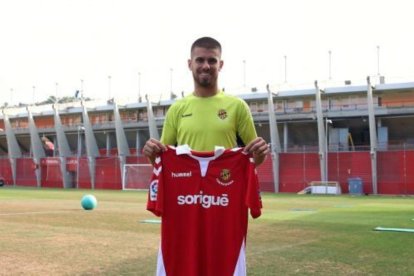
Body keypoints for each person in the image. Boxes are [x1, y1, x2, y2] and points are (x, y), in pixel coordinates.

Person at [143, 36, 269, 165]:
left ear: (220, 65)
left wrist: (261, 153)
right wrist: (152, 155)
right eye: (200, 60)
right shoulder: (176, 109)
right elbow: (163, 162)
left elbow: (254, 159)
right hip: (188, 184)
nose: (206, 66)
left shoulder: (238, 106)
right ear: (190, 64)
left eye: (212, 61)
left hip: (224, 182)